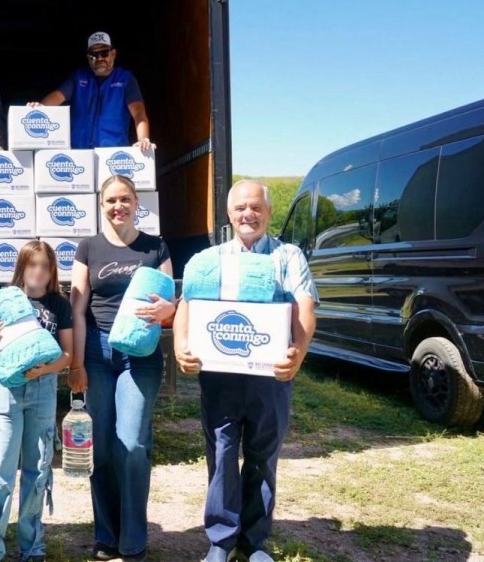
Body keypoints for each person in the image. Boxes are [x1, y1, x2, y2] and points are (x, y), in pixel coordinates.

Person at [173, 180, 318, 562]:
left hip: (270, 376)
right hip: (219, 376)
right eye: (240, 208)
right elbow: (187, 305)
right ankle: (220, 541)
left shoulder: (288, 257)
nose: (247, 214)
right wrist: (180, 348)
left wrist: (297, 355)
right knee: (221, 453)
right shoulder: (211, 259)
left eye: (255, 207)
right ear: (229, 214)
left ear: (269, 212)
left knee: (262, 454)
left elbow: (304, 308)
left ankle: (254, 543)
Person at [69, 175, 175, 562]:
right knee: (100, 446)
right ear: (101, 205)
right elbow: (77, 310)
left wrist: (170, 310)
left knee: (130, 444)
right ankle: (106, 534)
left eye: (126, 199)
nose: (119, 206)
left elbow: (170, 300)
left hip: (141, 355)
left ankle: (133, 540)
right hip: (96, 351)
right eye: (111, 200)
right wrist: (77, 364)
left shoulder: (155, 246)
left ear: (136, 203)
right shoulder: (88, 247)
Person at [0, 241, 74, 562]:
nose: (38, 271)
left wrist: (47, 367)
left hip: (43, 391)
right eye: (32, 264)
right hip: (9, 392)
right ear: (22, 267)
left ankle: (32, 547)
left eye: (45, 265)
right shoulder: (5, 302)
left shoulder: (60, 305)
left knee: (37, 469)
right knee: (0, 470)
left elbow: (67, 356)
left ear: (52, 270)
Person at [30, 31, 152, 151]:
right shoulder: (79, 77)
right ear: (88, 58)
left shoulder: (125, 79)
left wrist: (143, 139)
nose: (99, 58)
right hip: (79, 153)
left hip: (113, 155)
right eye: (94, 54)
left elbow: (139, 114)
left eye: (104, 53)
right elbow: (57, 95)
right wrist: (40, 108)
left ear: (113, 54)